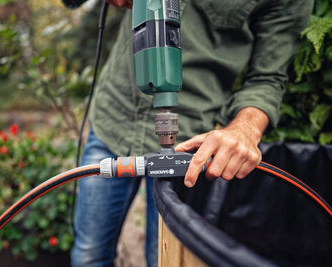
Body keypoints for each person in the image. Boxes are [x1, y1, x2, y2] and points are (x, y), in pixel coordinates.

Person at [71, 0, 313, 266]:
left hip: (189, 148)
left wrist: (245, 129)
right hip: (113, 119)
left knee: (163, 260)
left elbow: (268, 78)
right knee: (88, 255)